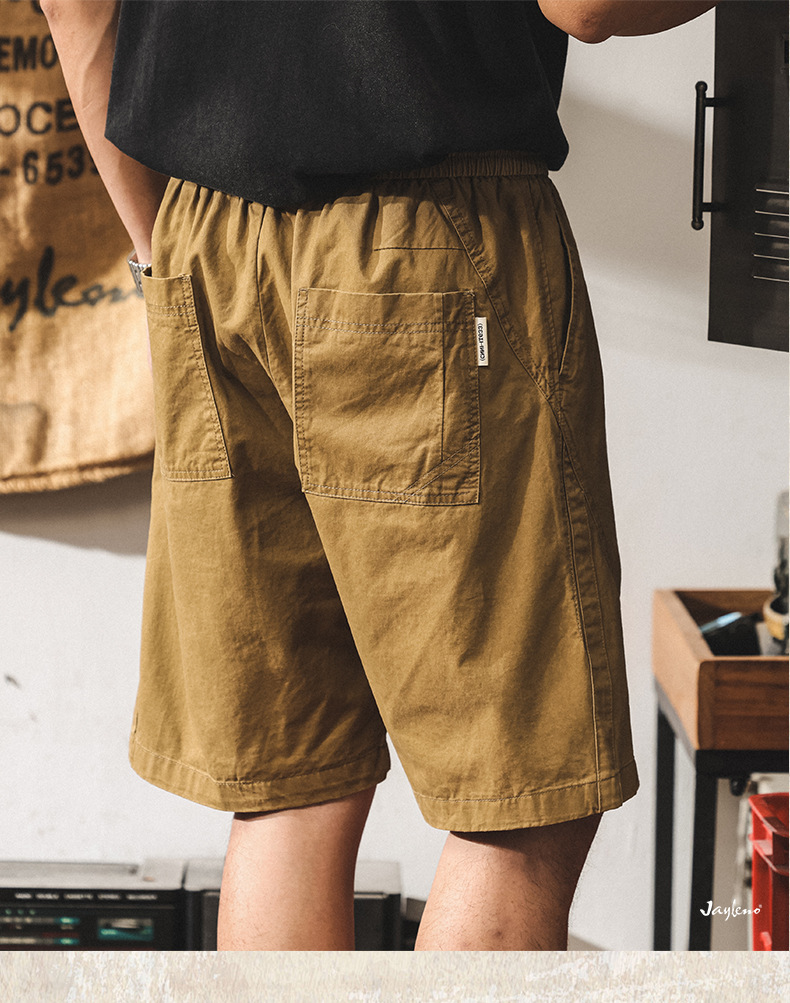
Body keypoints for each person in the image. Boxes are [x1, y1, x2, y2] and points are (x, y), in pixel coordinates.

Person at [42, 0, 716, 951]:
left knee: (291, 786)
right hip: (421, 240)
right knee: (519, 803)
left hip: (200, 240)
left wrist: (164, 249)